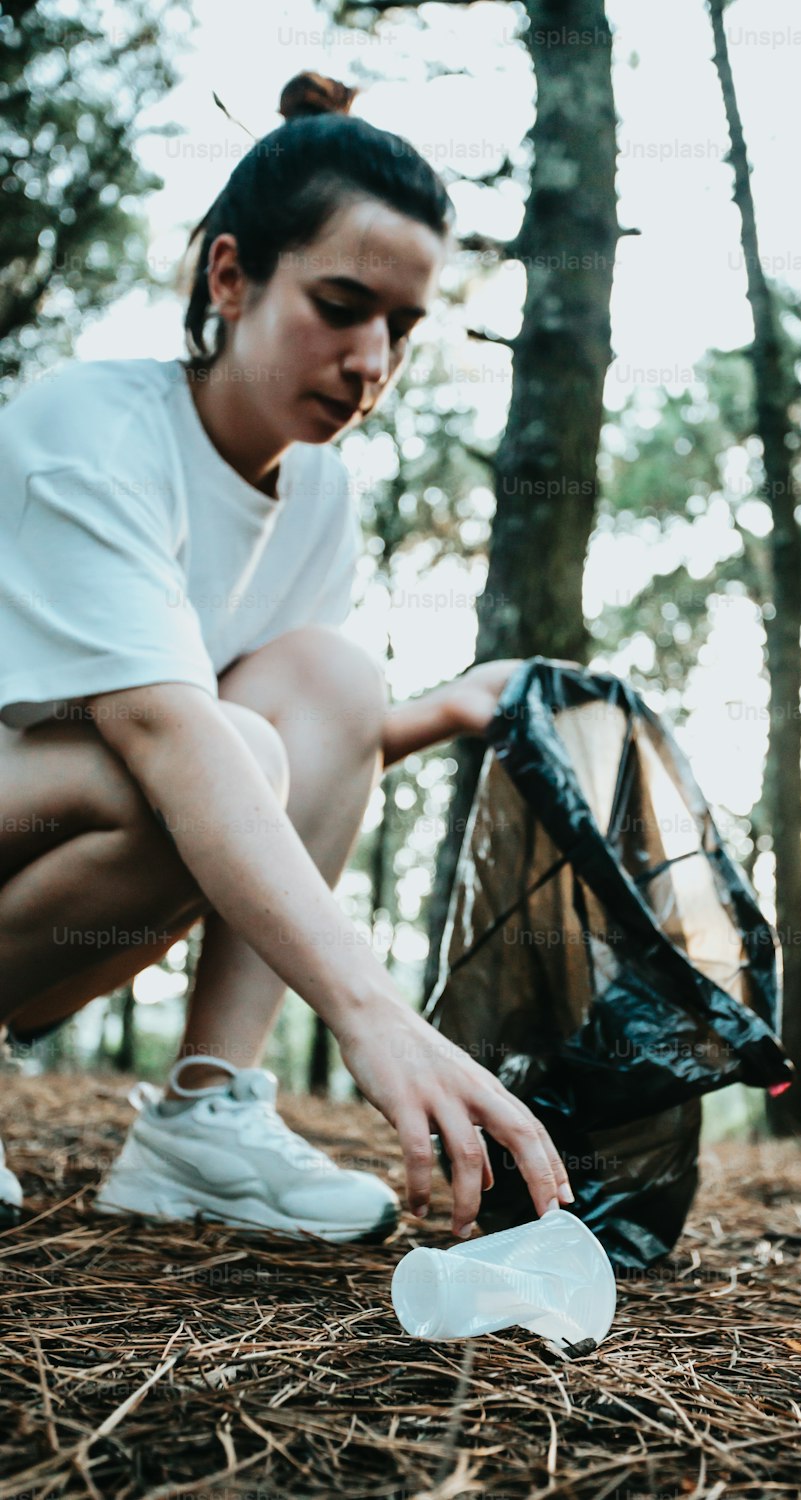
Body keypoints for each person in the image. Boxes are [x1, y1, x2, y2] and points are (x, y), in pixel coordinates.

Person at [0, 72, 573, 1244]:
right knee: (186, 757)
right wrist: (372, 1012)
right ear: (230, 276)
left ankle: (203, 1118)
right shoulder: (88, 434)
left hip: (70, 840)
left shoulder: (316, 493)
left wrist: (445, 709)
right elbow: (172, 736)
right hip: (69, 797)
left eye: (402, 328)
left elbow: (287, 747)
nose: (372, 361)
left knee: (330, 679)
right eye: (342, 304)